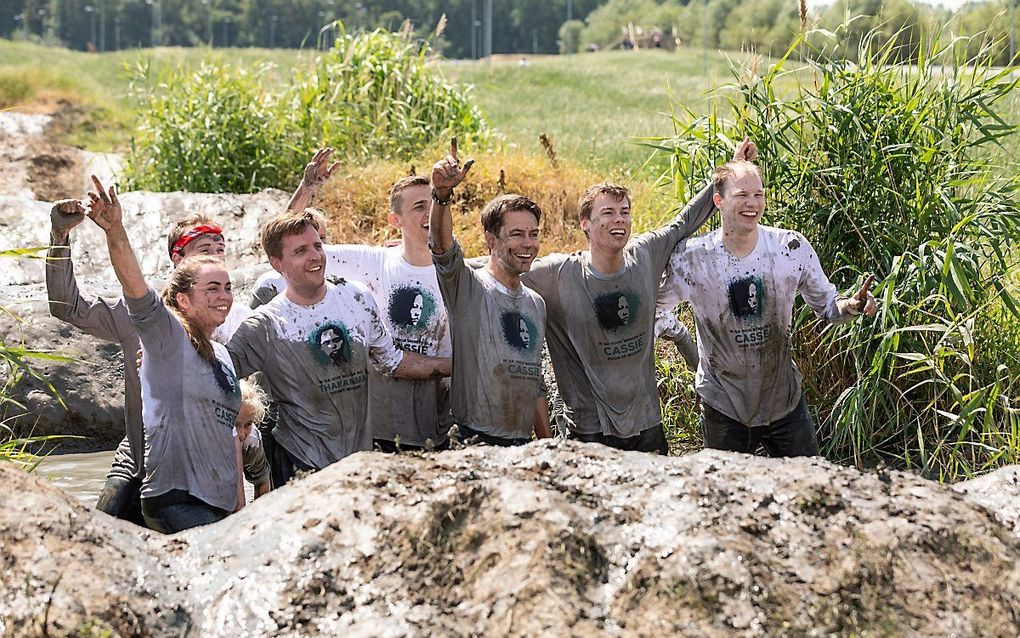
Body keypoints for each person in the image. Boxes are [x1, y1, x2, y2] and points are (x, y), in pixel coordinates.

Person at [517, 139, 758, 455]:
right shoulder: (557, 274)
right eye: (608, 213)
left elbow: (684, 222)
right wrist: (435, 258)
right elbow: (493, 273)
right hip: (589, 430)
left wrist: (727, 174)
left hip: (647, 426)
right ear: (585, 223)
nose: (619, 219)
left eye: (624, 212)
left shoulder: (644, 255)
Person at [658, 159, 877, 456]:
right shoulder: (694, 258)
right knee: (728, 496)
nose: (752, 204)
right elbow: (655, 309)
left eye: (758, 195)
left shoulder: (790, 247)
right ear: (718, 201)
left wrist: (851, 306)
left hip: (783, 403)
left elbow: (828, 307)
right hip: (724, 405)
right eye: (742, 196)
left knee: (810, 488)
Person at [45, 201, 245, 526]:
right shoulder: (139, 314)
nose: (215, 257)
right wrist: (59, 237)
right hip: (140, 460)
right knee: (99, 545)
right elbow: (66, 307)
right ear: (178, 260)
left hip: (205, 470)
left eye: (220, 250)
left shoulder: (230, 318)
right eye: (204, 249)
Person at [248, 149, 455, 453]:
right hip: (383, 425)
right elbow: (287, 248)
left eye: (434, 203)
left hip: (440, 419)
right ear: (395, 220)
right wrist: (307, 189)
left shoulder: (458, 272)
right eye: (419, 206)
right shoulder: (373, 262)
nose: (429, 214)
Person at [226, 210, 452, 486]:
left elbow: (392, 361)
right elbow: (218, 380)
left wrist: (453, 366)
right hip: (300, 462)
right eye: (300, 251)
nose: (315, 256)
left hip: (357, 460)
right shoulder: (266, 323)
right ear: (277, 263)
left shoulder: (356, 298)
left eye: (317, 246)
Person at [429, 140, 552, 446]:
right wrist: (442, 196)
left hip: (523, 445)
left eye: (533, 234)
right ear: (490, 241)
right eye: (516, 235)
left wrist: (549, 446)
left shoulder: (535, 303)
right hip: (474, 440)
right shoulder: (468, 288)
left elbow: (534, 382)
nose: (528, 244)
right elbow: (443, 249)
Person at [236, 379, 271, 499]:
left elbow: (262, 480)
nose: (241, 435)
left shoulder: (252, 440)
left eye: (248, 425)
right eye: (235, 425)